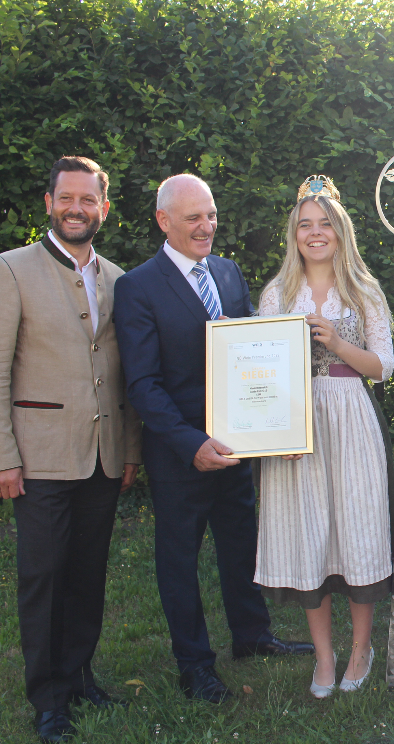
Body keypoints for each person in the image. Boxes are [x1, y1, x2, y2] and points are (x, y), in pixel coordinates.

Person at [113, 174, 313, 704]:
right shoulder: (138, 286)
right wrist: (190, 443)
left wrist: (279, 428)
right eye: (193, 218)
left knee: (240, 543)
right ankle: (194, 664)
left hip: (239, 444)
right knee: (178, 558)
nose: (207, 226)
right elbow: (143, 384)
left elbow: (257, 355)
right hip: (181, 454)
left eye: (211, 214)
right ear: (164, 221)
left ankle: (252, 637)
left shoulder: (226, 273)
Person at [0, 156, 142, 742]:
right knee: (43, 577)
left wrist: (131, 449)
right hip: (37, 458)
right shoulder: (9, 271)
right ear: (48, 203)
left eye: (88, 200)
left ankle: (78, 673)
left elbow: (127, 374)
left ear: (104, 208)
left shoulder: (120, 280)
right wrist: (0, 457)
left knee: (88, 575)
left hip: (103, 455)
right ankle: (48, 699)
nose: (76, 209)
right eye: (66, 198)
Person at [253, 176, 394, 699]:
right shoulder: (277, 293)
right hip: (295, 422)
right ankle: (323, 655)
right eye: (305, 225)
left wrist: (337, 340)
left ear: (341, 232)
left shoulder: (363, 291)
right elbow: (262, 367)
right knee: (307, 530)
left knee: (355, 529)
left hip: (349, 413)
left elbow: (383, 366)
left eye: (325, 225)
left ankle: (361, 647)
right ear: (294, 235)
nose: (315, 234)